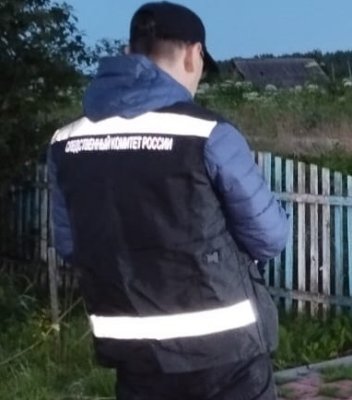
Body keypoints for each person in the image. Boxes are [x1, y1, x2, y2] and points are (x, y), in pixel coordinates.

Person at [47, 2, 289, 399]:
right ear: (194, 54)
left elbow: (70, 244)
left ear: (128, 53)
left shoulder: (66, 142)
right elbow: (270, 237)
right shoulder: (209, 133)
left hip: (133, 353)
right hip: (225, 354)